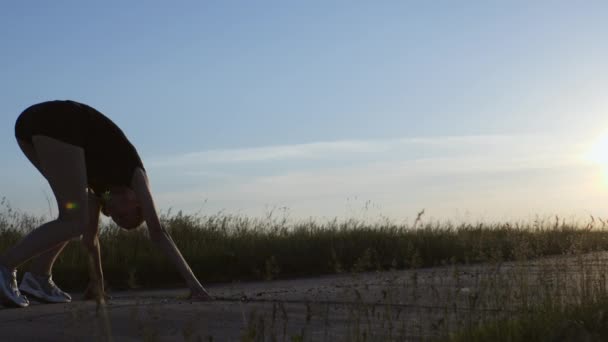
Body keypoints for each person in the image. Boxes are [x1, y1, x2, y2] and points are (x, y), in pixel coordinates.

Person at [0, 100, 212, 308]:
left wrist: (97, 282)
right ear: (135, 202)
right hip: (61, 123)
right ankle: (5, 267)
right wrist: (195, 286)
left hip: (29, 127)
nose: (109, 216)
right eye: (121, 216)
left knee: (73, 218)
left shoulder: (101, 193)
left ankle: (39, 276)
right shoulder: (136, 176)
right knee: (75, 219)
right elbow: (158, 232)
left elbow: (90, 239)